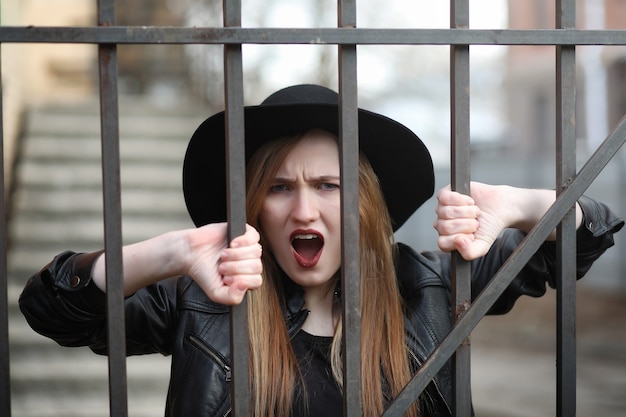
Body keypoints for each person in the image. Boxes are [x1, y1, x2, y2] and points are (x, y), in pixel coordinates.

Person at [19, 84, 623, 417]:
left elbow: (586, 237)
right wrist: (172, 251)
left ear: (361, 202)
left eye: (327, 186)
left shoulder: (430, 286)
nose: (303, 211)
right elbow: (51, 309)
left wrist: (517, 207)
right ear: (254, 204)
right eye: (279, 187)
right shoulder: (205, 301)